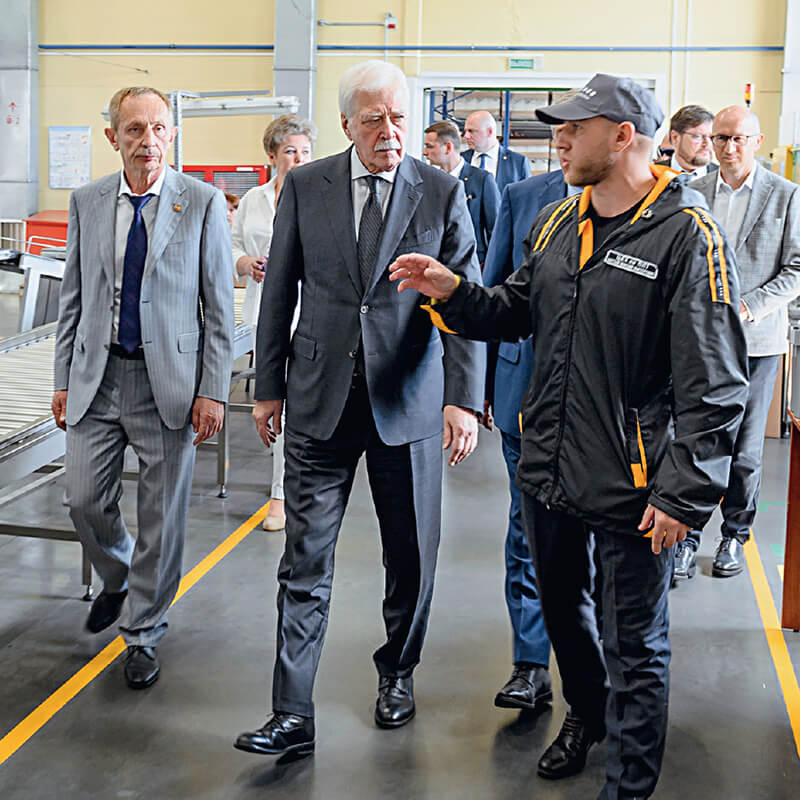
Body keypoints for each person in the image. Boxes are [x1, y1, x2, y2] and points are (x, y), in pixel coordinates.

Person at [390, 73, 748, 799]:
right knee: (562, 612)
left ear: (623, 136)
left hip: (636, 482)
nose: (559, 140)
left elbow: (715, 386)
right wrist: (454, 293)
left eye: (574, 128)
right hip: (550, 466)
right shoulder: (561, 221)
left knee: (635, 643)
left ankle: (629, 785)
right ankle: (587, 711)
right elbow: (516, 308)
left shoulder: (688, 234)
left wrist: (682, 496)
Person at [234, 60, 484, 758]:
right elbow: (280, 289)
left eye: (399, 117)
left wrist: (463, 400)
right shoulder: (306, 186)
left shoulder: (441, 192)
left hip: (408, 400)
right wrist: (267, 385)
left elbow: (465, 299)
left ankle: (397, 673)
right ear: (346, 124)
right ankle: (291, 711)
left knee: (411, 556)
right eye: (374, 119)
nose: (389, 131)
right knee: (304, 560)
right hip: (320, 400)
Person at [52, 86, 234, 689]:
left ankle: (144, 632)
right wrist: (62, 378)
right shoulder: (87, 201)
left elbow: (217, 306)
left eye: (158, 128)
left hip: (169, 385)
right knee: (82, 500)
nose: (147, 141)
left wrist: (212, 389)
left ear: (172, 134)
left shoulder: (202, 202)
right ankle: (119, 574)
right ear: (113, 137)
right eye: (134, 129)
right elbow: (74, 298)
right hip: (97, 378)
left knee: (162, 517)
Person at [677, 106, 800, 580]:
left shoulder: (786, 195)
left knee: (745, 451)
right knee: (695, 441)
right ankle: (687, 536)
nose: (729, 148)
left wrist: (747, 307)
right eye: (721, 138)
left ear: (757, 141)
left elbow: (796, 270)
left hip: (756, 343)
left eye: (739, 139)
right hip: (700, 343)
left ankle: (734, 535)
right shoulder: (695, 194)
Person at [482, 164, 579, 713]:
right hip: (525, 393)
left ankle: (594, 676)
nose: (564, 142)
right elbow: (496, 292)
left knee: (598, 544)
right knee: (526, 532)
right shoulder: (522, 196)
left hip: (600, 408)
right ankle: (530, 665)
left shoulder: (650, 205)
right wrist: (481, 388)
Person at [231, 114, 316, 531]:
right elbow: (232, 245)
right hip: (263, 316)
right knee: (271, 400)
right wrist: (246, 263)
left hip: (309, 318)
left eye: (305, 152)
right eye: (290, 152)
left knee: (293, 404)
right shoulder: (253, 200)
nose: (298, 159)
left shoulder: (321, 197)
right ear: (271, 155)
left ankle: (280, 496)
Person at [423, 120, 500, 267]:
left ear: (448, 147)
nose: (424, 152)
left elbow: (495, 229)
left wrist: (489, 266)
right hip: (436, 265)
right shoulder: (428, 181)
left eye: (429, 146)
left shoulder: (482, 180)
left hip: (472, 265)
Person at [462, 110, 532, 194]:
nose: (466, 136)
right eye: (466, 131)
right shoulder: (461, 160)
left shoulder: (518, 163)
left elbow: (527, 197)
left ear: (489, 132)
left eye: (471, 131)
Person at [655, 104, 718, 178]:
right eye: (697, 136)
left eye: (712, 137)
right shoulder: (651, 174)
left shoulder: (725, 177)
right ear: (675, 137)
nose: (708, 144)